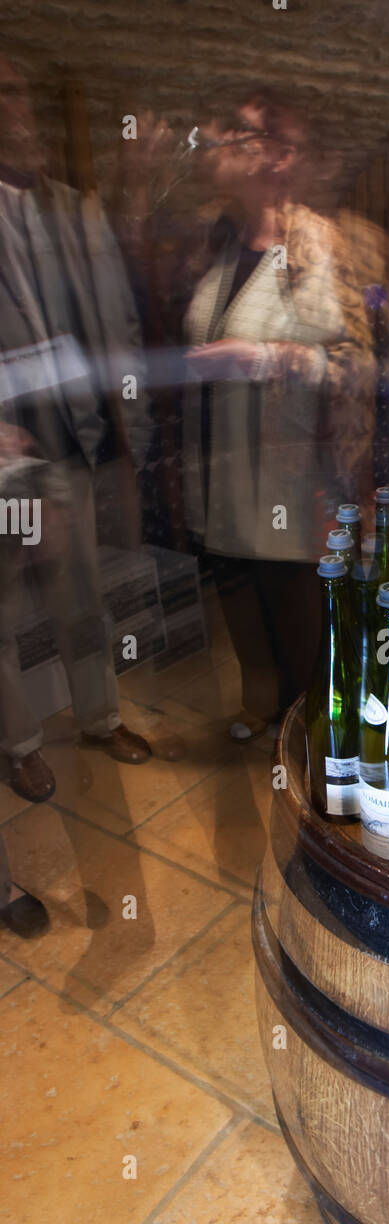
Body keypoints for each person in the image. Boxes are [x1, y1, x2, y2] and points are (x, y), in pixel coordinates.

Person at [182, 89, 374, 737]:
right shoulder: (217, 238)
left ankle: (311, 732)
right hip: (221, 460)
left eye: (239, 134)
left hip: (292, 475)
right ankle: (263, 703)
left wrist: (263, 357)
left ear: (279, 157)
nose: (219, 143)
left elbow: (355, 365)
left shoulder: (315, 247)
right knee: (237, 586)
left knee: (294, 607)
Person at [0, 58, 155, 805]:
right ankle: (20, 743)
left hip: (69, 443)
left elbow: (117, 326)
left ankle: (100, 718)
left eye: (17, 91)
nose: (15, 109)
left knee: (82, 598)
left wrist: (130, 432)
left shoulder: (71, 208)